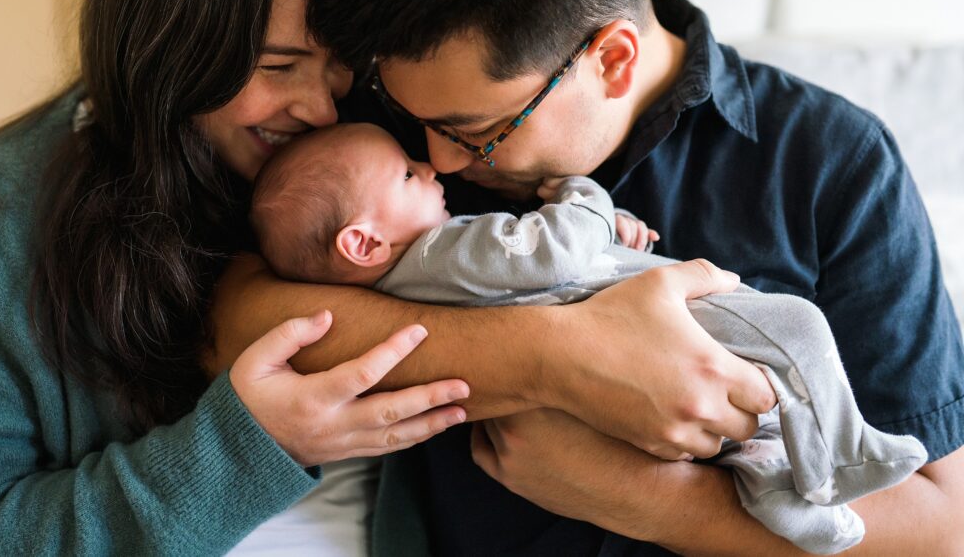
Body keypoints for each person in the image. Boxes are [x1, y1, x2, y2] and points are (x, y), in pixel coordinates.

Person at [0, 0, 778, 554]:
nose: (318, 107)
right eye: (276, 66)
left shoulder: (396, 126)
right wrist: (240, 450)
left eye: (339, 65)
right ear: (167, 47)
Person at [276, 0, 961, 553]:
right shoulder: (379, 153)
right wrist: (555, 360)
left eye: (477, 129)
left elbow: (943, 527)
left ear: (612, 58)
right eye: (411, 117)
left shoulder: (832, 162)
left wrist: (649, 499)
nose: (441, 163)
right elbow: (242, 319)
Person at [248, 121, 928, 553]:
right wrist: (584, 195)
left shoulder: (422, 276)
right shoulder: (438, 252)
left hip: (625, 329)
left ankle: (792, 503)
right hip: (671, 320)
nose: (433, 167)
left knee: (749, 443)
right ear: (363, 241)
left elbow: (535, 263)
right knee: (798, 327)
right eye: (405, 173)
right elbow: (551, 253)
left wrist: (608, 224)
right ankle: (846, 453)